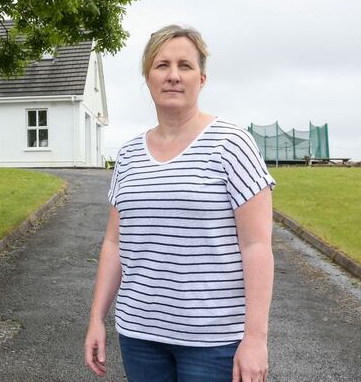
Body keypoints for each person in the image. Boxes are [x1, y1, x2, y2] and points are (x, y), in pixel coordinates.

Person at [84, 25, 275, 382]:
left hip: (213, 342)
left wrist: (255, 339)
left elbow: (257, 245)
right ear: (148, 77)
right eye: (162, 65)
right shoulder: (127, 155)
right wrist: (97, 317)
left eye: (184, 66)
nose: (173, 76)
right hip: (139, 335)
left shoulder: (232, 144)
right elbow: (114, 242)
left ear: (201, 79)